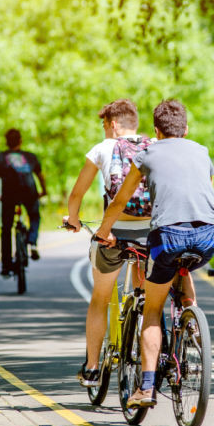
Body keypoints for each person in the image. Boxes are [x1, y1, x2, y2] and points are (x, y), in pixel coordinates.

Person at [94, 99, 214, 407]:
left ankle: (146, 388)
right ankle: (189, 320)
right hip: (209, 235)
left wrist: (104, 230)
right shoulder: (202, 152)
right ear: (186, 128)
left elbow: (120, 200)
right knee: (184, 267)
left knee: (152, 309)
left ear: (156, 131)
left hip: (168, 236)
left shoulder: (146, 153)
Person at [64, 98, 154, 388]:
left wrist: (74, 219)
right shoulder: (154, 145)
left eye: (104, 126)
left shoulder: (102, 149)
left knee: (100, 299)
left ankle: (91, 368)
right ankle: (147, 362)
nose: (104, 131)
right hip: (151, 234)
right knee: (147, 300)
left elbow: (77, 194)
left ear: (113, 124)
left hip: (114, 234)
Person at [0, 128, 47, 276]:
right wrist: (44, 190)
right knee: (34, 216)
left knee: (6, 228)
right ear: (20, 141)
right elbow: (40, 176)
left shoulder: (2, 157)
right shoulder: (29, 156)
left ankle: (6, 265)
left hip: (9, 193)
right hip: (29, 191)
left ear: (7, 142)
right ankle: (32, 241)